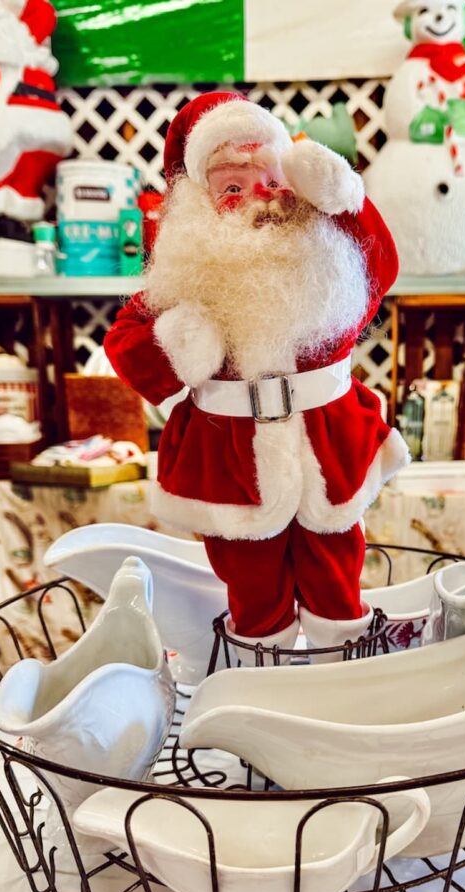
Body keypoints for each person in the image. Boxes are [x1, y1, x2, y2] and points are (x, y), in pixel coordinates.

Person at [105, 91, 409, 662]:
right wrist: (175, 346)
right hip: (230, 462)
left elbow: (381, 265)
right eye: (232, 189)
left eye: (269, 180)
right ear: (200, 202)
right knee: (251, 589)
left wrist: (345, 198)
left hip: (331, 447)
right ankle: (257, 692)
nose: (258, 200)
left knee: (337, 578)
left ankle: (345, 682)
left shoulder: (328, 251)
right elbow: (126, 342)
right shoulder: (186, 272)